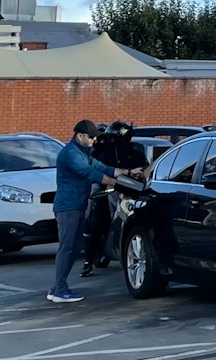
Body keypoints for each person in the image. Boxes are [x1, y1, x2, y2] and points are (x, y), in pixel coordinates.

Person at [50, 119, 127, 304]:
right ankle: (60, 289)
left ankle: (57, 287)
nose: (94, 140)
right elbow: (90, 173)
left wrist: (128, 172)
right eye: (91, 137)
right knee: (67, 247)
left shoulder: (83, 152)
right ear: (80, 136)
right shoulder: (70, 154)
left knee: (75, 246)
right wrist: (118, 183)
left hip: (77, 205)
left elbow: (101, 167)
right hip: (68, 207)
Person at [80, 121, 147, 278]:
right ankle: (88, 262)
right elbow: (98, 170)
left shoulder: (136, 149)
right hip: (110, 190)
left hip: (132, 190)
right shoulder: (105, 152)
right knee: (98, 223)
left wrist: (140, 175)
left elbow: (145, 168)